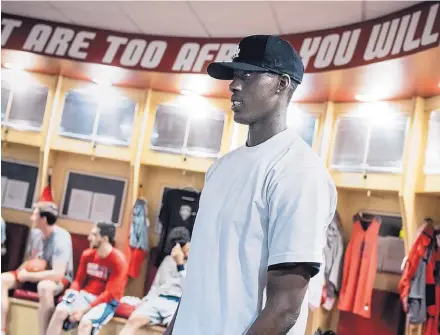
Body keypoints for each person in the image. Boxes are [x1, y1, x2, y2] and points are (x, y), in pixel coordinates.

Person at [165, 35, 337, 335]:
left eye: (247, 74)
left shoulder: (298, 171)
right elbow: (198, 276)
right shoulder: (220, 169)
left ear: (282, 84)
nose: (233, 84)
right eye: (234, 74)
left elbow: (284, 309)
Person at [1, 202, 73, 335]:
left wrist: (28, 276)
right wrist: (20, 273)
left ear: (43, 219)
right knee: (2, 280)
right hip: (34, 274)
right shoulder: (35, 233)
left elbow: (58, 274)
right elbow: (30, 261)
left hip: (56, 279)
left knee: (44, 287)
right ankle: (1, 329)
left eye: (34, 215)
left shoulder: (62, 238)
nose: (31, 218)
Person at [45, 221, 128, 335]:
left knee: (85, 322)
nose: (89, 238)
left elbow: (109, 293)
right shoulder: (87, 255)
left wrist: (83, 310)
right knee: (60, 310)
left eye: (94, 235)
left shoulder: (119, 260)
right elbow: (78, 281)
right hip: (85, 295)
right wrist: (72, 292)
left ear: (105, 239)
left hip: (107, 301)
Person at [119, 238, 190, 335]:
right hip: (159, 299)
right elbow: (156, 285)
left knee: (176, 328)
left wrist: (180, 265)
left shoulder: (194, 265)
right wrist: (147, 300)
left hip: (177, 304)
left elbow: (189, 289)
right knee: (133, 320)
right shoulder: (167, 260)